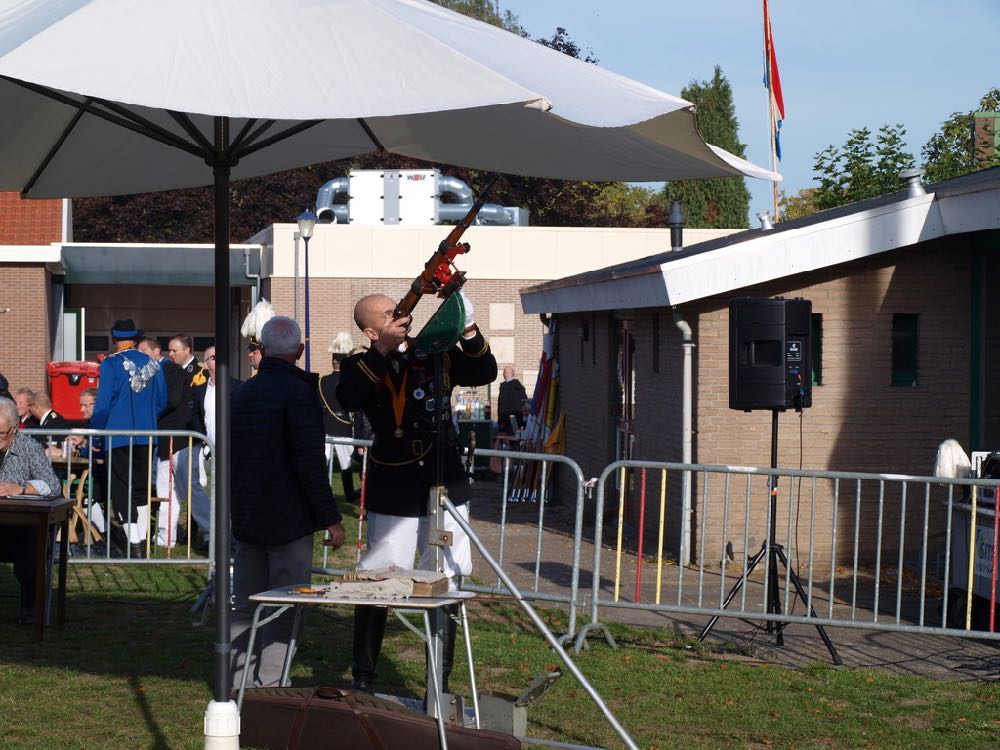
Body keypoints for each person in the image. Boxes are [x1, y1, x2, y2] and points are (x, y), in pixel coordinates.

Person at [337, 290, 497, 695]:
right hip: (396, 485)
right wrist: (383, 351)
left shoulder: (433, 352)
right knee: (379, 577)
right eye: (389, 314)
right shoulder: (363, 363)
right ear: (371, 330)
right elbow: (348, 397)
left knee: (448, 577)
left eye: (400, 309)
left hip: (445, 479)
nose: (400, 315)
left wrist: (468, 327)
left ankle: (437, 681)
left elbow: (484, 372)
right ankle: (363, 675)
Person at [230, 316, 346, 690]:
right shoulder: (299, 394)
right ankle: (270, 684)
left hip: (247, 511)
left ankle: (237, 681)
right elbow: (308, 462)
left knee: (246, 603)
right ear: (299, 351)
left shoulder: (242, 393)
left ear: (262, 351)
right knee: (284, 603)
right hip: (288, 518)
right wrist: (331, 517)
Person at [89, 319, 167, 559]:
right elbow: (162, 402)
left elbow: (102, 405)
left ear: (114, 339)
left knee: (122, 488)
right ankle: (141, 543)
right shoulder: (154, 364)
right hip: (147, 435)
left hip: (117, 436)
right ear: (135, 338)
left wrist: (96, 431)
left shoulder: (110, 364)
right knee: (142, 488)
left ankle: (134, 544)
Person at [0, 397, 62, 624]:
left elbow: (53, 485)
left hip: (22, 527)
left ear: (15, 429)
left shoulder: (29, 448)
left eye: (2, 433)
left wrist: (21, 487)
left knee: (29, 556)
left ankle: (30, 607)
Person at [137, 337, 188, 547]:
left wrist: (151, 414)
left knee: (191, 488)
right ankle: (166, 536)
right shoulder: (150, 373)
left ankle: (210, 530)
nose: (139, 355)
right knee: (167, 489)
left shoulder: (170, 371)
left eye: (143, 351)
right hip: (163, 437)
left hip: (176, 438)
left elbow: (171, 400)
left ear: (156, 351)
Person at [165, 334, 213, 548]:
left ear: (188, 351)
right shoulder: (172, 372)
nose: (171, 354)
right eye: (170, 350)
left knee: (195, 485)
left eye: (175, 350)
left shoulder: (199, 373)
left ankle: (205, 532)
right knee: (180, 487)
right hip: (179, 436)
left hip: (193, 437)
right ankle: (195, 532)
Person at [190, 344, 240, 548]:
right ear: (206, 363)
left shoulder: (237, 387)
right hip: (210, 450)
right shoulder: (200, 391)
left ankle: (234, 538)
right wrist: (203, 440)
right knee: (214, 496)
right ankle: (214, 537)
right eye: (212, 357)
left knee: (232, 496)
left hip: (234, 450)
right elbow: (197, 418)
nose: (216, 360)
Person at [318, 332, 357, 502]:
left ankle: (322, 495)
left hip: (325, 426)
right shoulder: (349, 381)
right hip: (343, 426)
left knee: (323, 464)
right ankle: (349, 494)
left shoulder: (321, 381)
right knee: (346, 464)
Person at [497, 366, 528, 436]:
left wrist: (500, 421)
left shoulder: (504, 388)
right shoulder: (521, 387)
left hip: (507, 419)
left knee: (509, 439)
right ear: (513, 374)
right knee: (518, 437)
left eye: (504, 373)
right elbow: (525, 403)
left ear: (505, 374)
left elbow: (502, 404)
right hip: (519, 418)